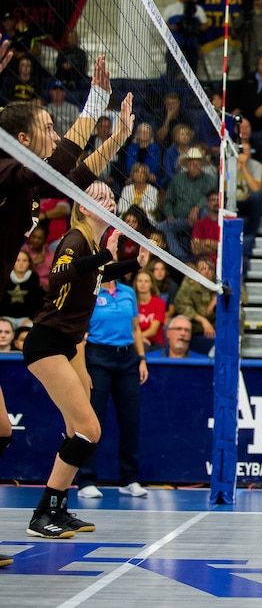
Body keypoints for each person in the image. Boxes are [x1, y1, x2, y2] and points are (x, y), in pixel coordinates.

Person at [23, 180, 148, 538]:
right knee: (89, 430)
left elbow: (95, 275)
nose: (109, 200)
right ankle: (42, 513)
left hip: (66, 345)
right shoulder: (76, 239)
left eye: (111, 195)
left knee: (73, 431)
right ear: (82, 206)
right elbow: (59, 275)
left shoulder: (91, 244)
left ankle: (58, 508)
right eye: (100, 197)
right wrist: (106, 256)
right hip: (47, 343)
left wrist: (131, 263)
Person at [76, 273, 150, 500]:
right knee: (93, 419)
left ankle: (129, 479)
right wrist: (82, 369)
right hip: (98, 357)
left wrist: (142, 359)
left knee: (131, 419)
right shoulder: (91, 290)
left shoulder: (128, 292)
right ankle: (86, 480)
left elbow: (136, 328)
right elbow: (79, 333)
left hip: (127, 358)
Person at [159, 147, 216, 261]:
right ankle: (180, 257)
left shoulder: (209, 179)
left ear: (202, 165)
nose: (195, 166)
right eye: (192, 163)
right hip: (181, 219)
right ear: (186, 165)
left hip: (201, 219)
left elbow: (211, 197)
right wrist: (169, 214)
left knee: (205, 211)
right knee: (161, 227)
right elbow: (169, 200)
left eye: (198, 163)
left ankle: (201, 252)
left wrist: (197, 207)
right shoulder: (178, 179)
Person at [162, 0, 209, 78]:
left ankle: (191, 91)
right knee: (172, 71)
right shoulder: (171, 8)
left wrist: (195, 28)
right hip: (175, 45)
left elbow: (204, 25)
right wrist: (172, 27)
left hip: (191, 45)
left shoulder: (197, 9)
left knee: (192, 71)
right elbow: (162, 22)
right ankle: (170, 91)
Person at [1, 249, 46, 327]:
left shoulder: (34, 277)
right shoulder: (5, 276)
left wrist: (31, 319)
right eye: (18, 260)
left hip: (26, 319)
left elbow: (35, 301)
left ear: (29, 263)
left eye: (24, 260)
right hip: (5, 318)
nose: (21, 263)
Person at [133, 270, 166, 350]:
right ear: (136, 283)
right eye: (140, 281)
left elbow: (153, 330)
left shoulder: (159, 303)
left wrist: (138, 338)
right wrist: (138, 340)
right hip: (136, 342)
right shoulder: (131, 303)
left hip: (155, 344)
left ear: (151, 284)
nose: (142, 284)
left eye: (146, 281)